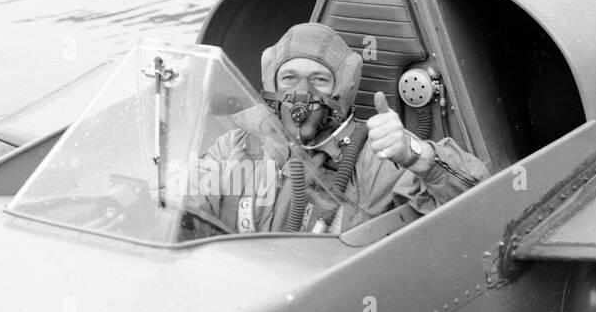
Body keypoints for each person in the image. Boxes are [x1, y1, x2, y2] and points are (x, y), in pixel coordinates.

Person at [196, 23, 488, 233]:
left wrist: (416, 154)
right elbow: (190, 205)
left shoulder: (379, 155)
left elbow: (481, 201)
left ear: (343, 89)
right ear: (272, 84)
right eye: (289, 78)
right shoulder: (236, 147)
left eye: (320, 80)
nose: (302, 91)